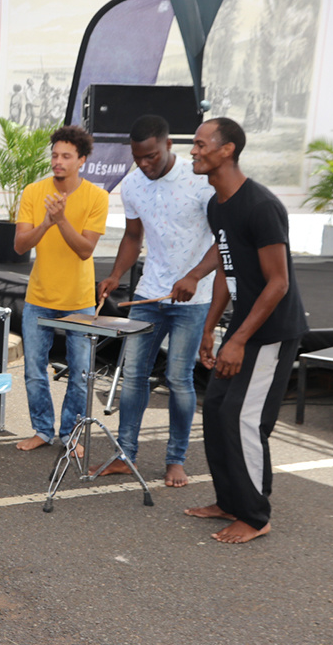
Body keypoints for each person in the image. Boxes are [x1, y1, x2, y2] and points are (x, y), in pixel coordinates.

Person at [185, 117, 307, 544]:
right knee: (218, 412)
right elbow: (227, 266)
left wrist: (237, 339)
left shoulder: (261, 205)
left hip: (271, 330)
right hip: (242, 325)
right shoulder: (217, 204)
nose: (194, 151)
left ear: (227, 150)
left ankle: (255, 515)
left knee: (244, 419)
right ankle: (230, 500)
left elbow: (279, 282)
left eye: (201, 144)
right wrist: (209, 329)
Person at [95, 115, 216, 487]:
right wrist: (116, 275)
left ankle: (175, 459)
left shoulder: (200, 181)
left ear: (168, 147)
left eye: (151, 156)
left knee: (179, 379)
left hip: (194, 298)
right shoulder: (132, 185)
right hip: (150, 292)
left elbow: (221, 241)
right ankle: (125, 453)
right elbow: (133, 236)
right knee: (132, 377)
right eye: (137, 157)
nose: (144, 164)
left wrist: (194, 276)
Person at [13, 125, 108, 452]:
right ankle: (42, 430)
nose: (58, 161)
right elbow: (20, 246)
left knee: (80, 374)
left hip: (79, 300)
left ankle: (70, 435)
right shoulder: (33, 192)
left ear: (81, 160)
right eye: (55, 155)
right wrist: (46, 223)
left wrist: (62, 219)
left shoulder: (97, 197)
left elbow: (85, 250)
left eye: (66, 156)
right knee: (34, 371)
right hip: (39, 296)